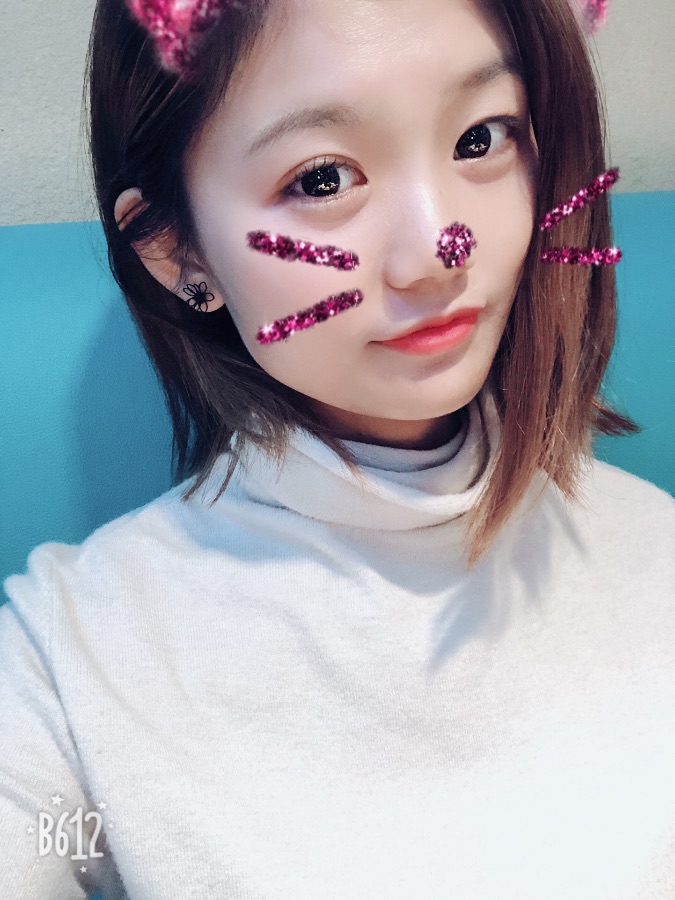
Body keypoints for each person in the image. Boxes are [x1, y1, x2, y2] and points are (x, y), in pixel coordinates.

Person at [1, 0, 673, 896]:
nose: (437, 254)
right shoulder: (70, 663)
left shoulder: (655, 555)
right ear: (175, 250)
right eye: (322, 179)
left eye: (480, 139)